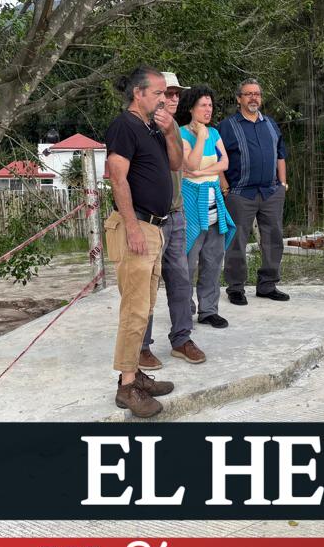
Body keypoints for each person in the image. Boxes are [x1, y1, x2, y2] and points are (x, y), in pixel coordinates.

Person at [102, 67, 183, 417]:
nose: (163, 99)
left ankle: (134, 375)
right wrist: (133, 227)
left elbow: (177, 163)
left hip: (156, 228)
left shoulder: (153, 128)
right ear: (139, 93)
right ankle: (126, 388)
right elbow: (117, 178)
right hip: (136, 226)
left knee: (145, 307)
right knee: (134, 310)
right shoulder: (125, 126)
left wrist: (171, 130)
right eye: (158, 93)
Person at [138, 72, 207, 368]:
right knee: (146, 286)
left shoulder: (173, 126)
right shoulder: (140, 126)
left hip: (176, 216)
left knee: (180, 281)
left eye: (177, 93)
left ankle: (181, 339)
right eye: (168, 92)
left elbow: (184, 167)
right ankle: (140, 346)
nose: (174, 98)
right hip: (149, 220)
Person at [219, 78, 290, 304]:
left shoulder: (270, 123)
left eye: (257, 94)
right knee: (236, 240)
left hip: (271, 192)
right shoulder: (227, 126)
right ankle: (236, 287)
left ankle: (268, 285)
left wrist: (283, 184)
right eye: (248, 94)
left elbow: (281, 154)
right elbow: (217, 156)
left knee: (273, 238)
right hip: (240, 192)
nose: (253, 98)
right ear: (239, 98)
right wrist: (224, 184)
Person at [177, 85, 237, 329]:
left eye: (210, 105)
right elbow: (188, 164)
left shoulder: (215, 133)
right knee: (187, 264)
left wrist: (202, 171)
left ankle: (209, 310)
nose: (208, 109)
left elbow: (225, 162)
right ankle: (184, 309)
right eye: (203, 105)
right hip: (191, 206)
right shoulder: (181, 133)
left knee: (213, 260)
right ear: (191, 108)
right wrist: (200, 137)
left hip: (214, 204)